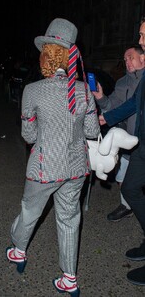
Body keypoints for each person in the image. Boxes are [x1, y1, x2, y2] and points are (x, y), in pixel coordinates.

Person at [6, 18, 100, 296]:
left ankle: (18, 250)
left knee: (29, 211)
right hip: (75, 169)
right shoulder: (84, 90)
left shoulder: (32, 91)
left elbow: (30, 136)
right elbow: (93, 131)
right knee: (69, 220)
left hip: (45, 168)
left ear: (47, 53)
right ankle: (69, 278)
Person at [99, 17, 145, 286]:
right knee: (129, 190)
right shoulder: (134, 82)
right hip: (140, 143)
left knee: (130, 189)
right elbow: (134, 105)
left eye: (142, 35)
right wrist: (107, 117)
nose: (140, 40)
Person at [92, 45, 144, 222]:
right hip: (127, 141)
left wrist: (109, 117)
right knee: (122, 177)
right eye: (125, 59)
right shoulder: (122, 83)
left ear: (142, 57)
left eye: (130, 57)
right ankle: (127, 205)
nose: (127, 61)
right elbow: (110, 106)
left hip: (143, 141)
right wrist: (100, 97)